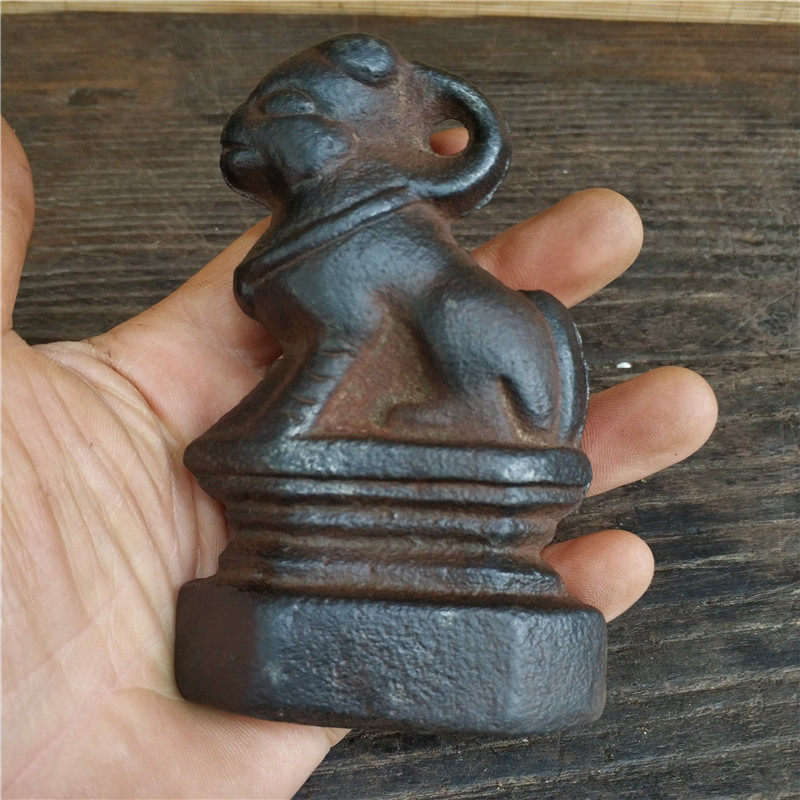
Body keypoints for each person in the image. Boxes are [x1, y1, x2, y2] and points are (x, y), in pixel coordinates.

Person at [1, 118, 717, 799]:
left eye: (289, 114)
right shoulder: (335, 231)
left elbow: (346, 345)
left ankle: (450, 421)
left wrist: (278, 430)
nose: (250, 134)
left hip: (482, 381)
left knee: (449, 322)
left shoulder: (363, 239)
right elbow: (327, 356)